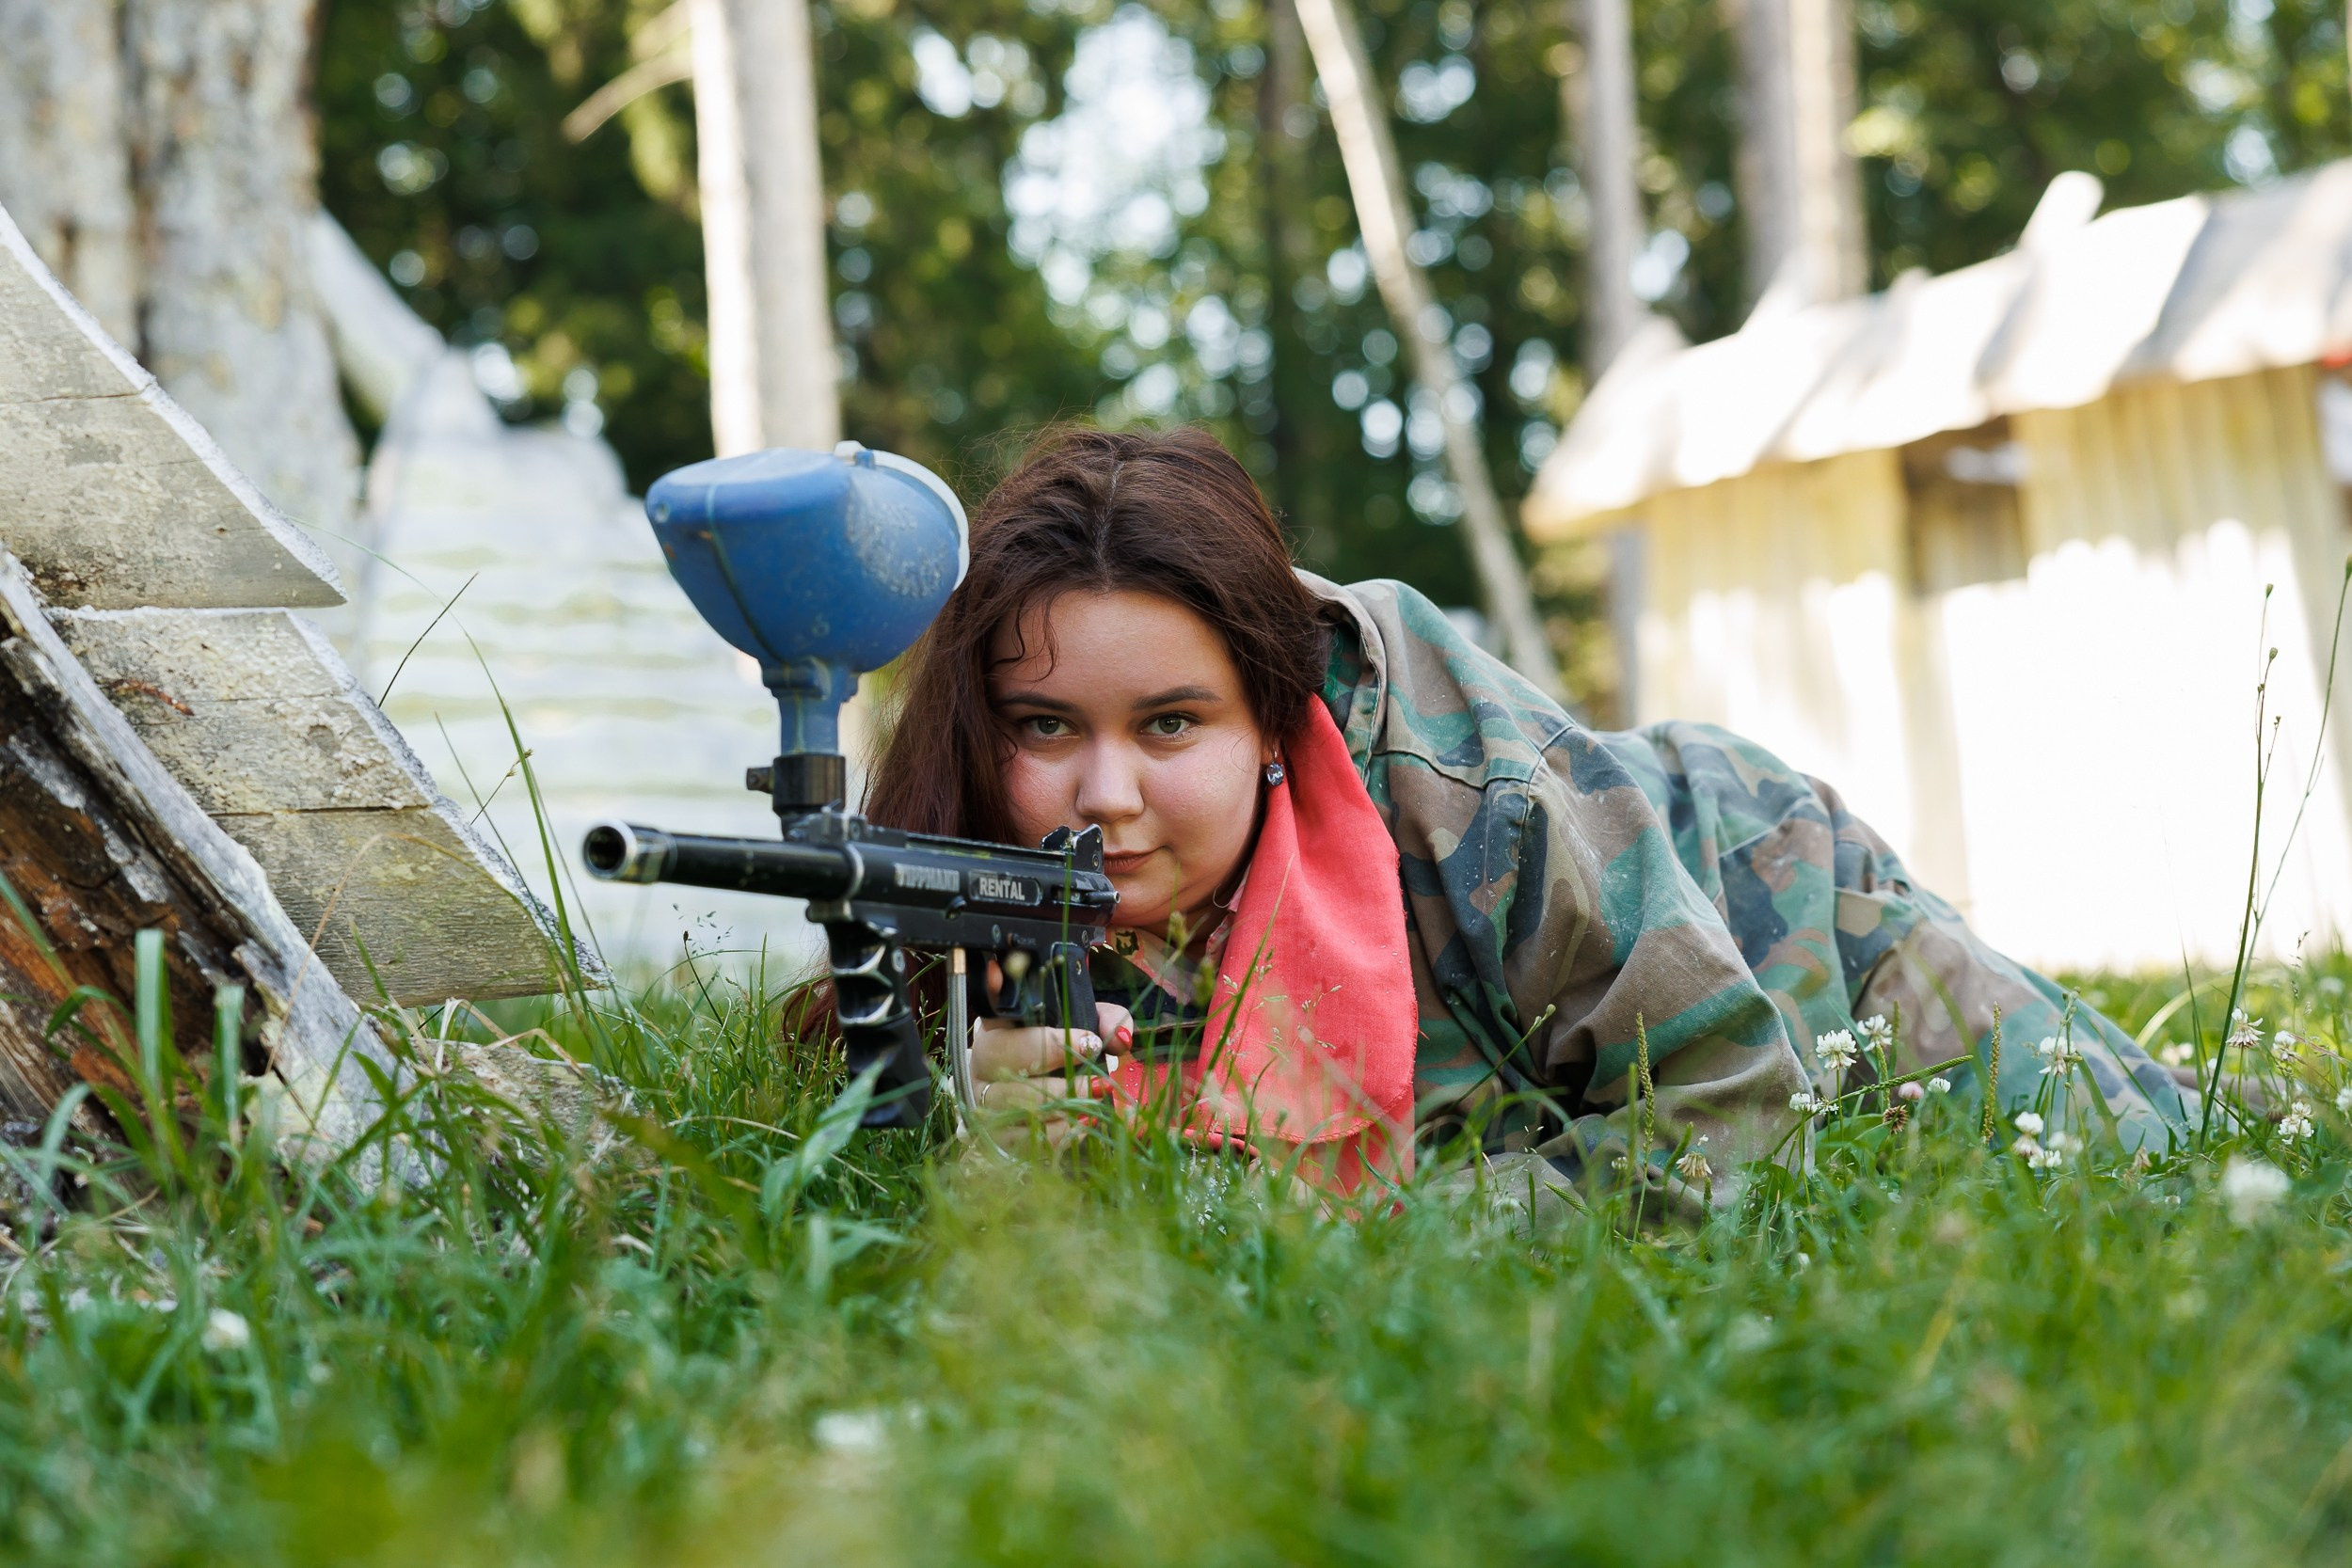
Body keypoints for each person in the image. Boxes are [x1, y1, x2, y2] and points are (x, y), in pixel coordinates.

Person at [864, 426, 2193, 1213]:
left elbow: (1733, 1102)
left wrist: (1416, 1236)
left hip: (1768, 902)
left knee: (2154, 1153)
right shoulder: (969, 875)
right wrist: (970, 1128)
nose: (1105, 794)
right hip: (1544, 1073)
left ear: (1273, 718)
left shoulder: (1472, 800)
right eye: (1046, 727)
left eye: (1170, 725)